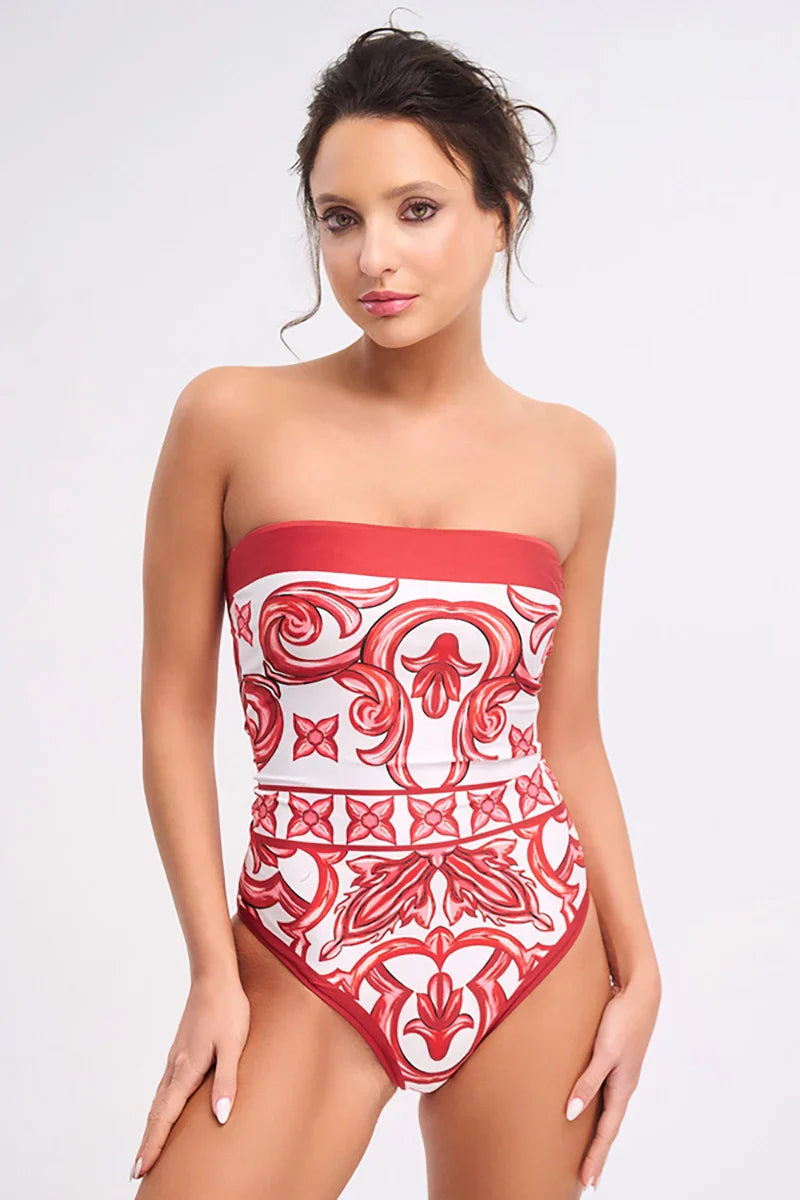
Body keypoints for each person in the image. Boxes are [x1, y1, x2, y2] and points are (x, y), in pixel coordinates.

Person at [130, 22, 661, 1200]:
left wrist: (640, 969)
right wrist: (212, 970)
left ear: (499, 213)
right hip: (301, 938)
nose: (373, 257)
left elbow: (567, 735)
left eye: (416, 210)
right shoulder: (228, 419)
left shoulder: (573, 456)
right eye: (339, 218)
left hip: (535, 933)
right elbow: (172, 712)